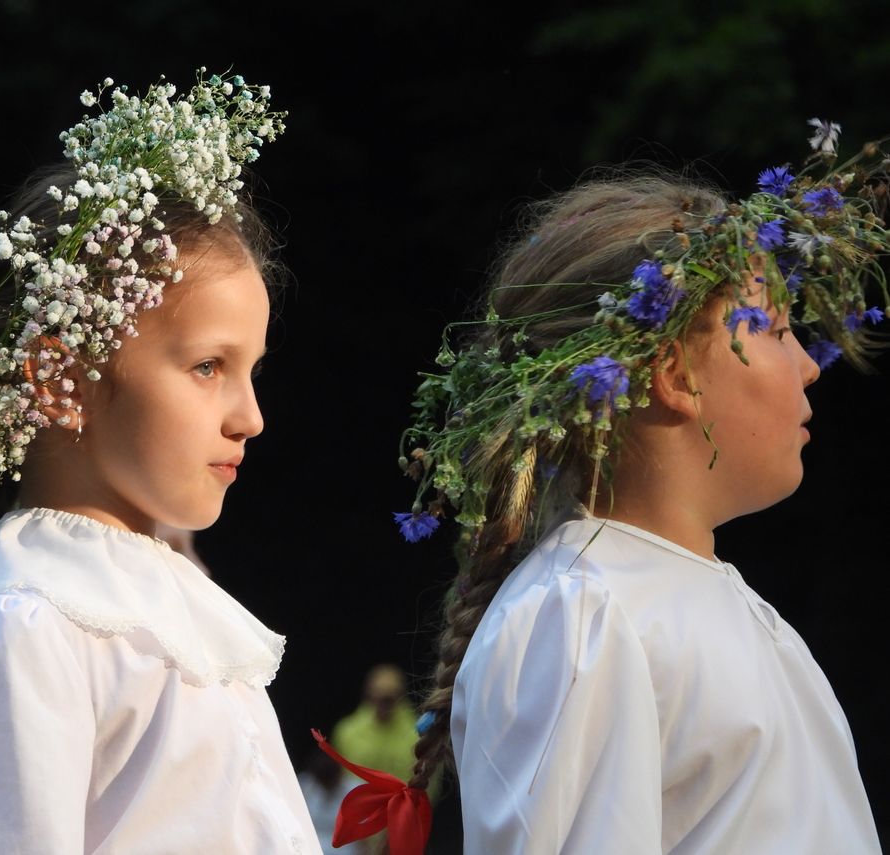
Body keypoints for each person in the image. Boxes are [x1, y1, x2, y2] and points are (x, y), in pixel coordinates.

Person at [335, 127, 884, 854]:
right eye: (776, 329)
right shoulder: (585, 613)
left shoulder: (713, 602)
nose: (810, 367)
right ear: (674, 375)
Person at [0, 73, 321, 854]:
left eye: (251, 370)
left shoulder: (164, 601)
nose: (250, 416)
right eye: (207, 367)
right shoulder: (28, 623)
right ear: (59, 380)